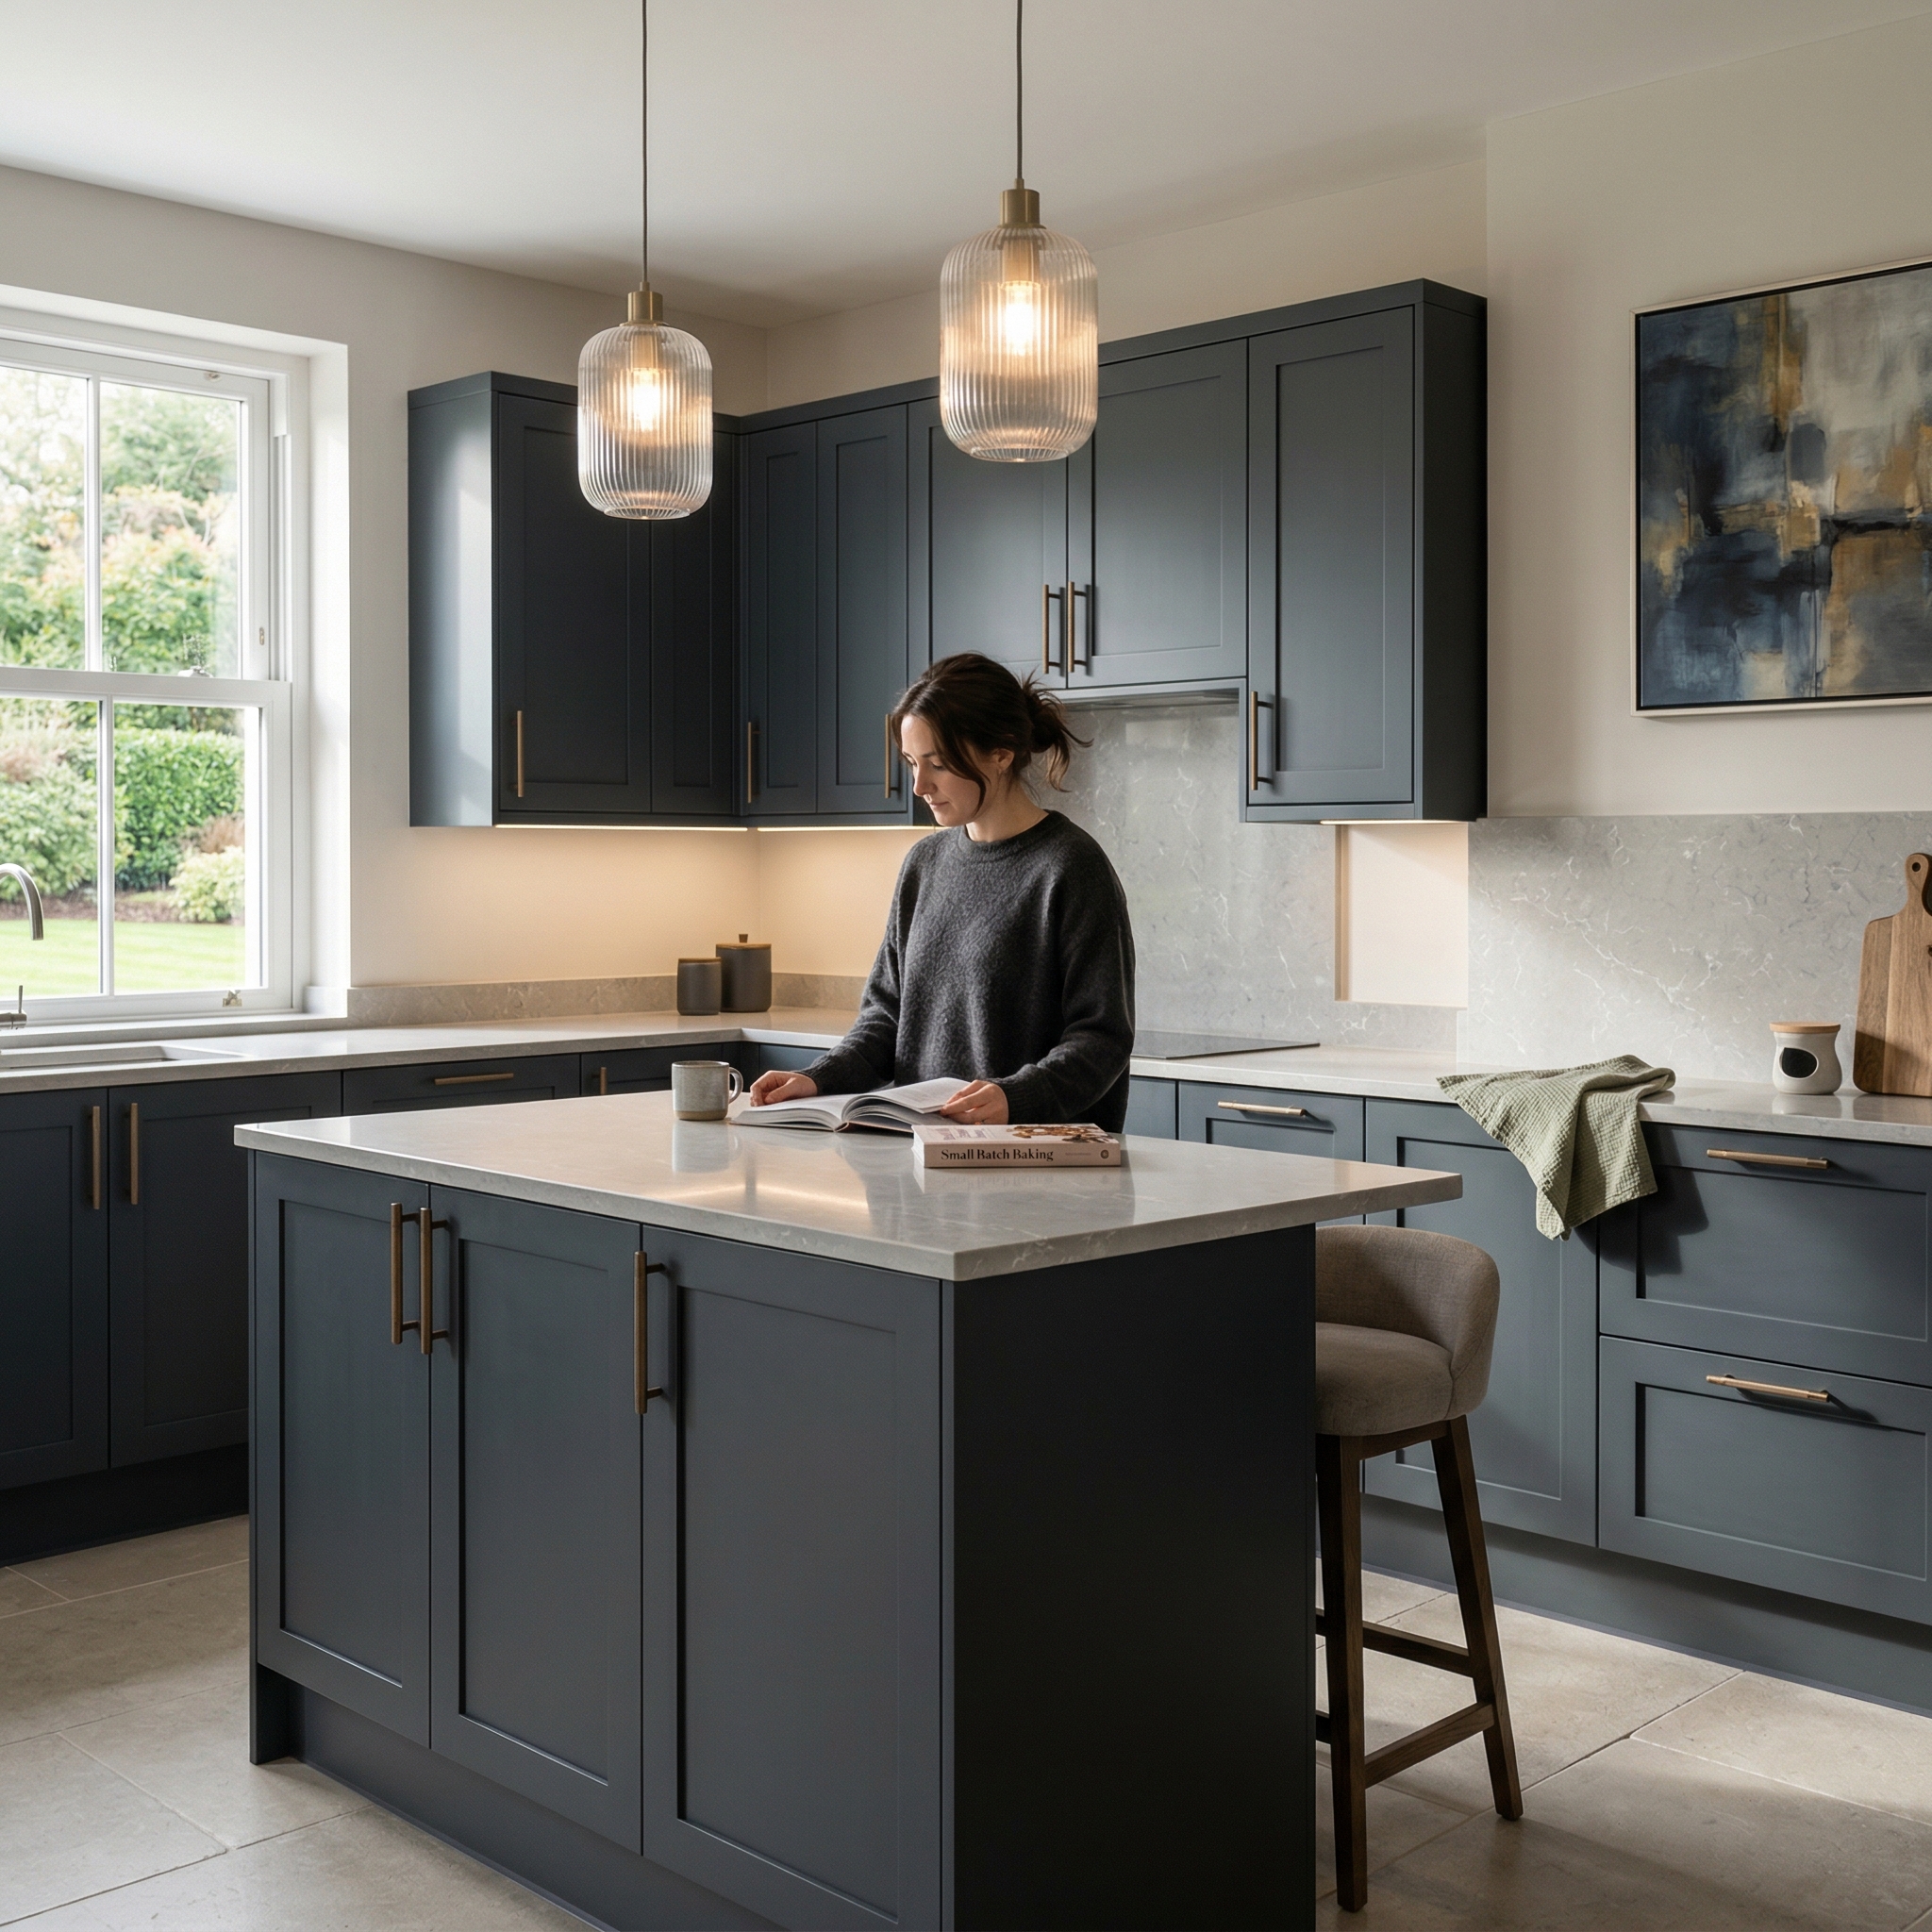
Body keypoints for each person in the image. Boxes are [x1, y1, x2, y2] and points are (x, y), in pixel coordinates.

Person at [748, 652, 1137, 1131]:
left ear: (1001, 752)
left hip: (1032, 1164)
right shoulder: (924, 864)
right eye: (911, 762)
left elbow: (1102, 1038)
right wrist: (819, 1078)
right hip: (922, 1154)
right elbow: (886, 1016)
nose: (918, 785)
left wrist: (1016, 1097)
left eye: (938, 764)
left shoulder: (1071, 868)